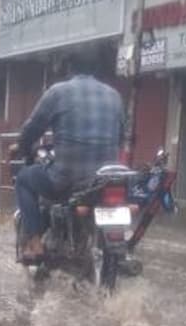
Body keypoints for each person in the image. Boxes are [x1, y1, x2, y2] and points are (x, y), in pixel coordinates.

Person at [15, 57, 125, 261]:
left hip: (67, 180)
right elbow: (122, 137)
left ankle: (35, 243)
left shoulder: (57, 92)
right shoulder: (114, 95)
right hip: (106, 180)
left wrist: (20, 148)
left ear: (69, 69)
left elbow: (32, 128)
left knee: (23, 179)